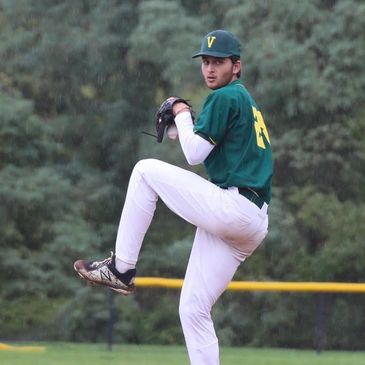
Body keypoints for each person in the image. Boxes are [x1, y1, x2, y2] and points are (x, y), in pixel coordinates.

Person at [74, 29, 273, 365]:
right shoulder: (243, 102)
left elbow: (194, 153)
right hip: (250, 221)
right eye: (206, 62)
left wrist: (180, 110)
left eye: (219, 62)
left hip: (233, 207)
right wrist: (180, 126)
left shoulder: (226, 97)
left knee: (144, 171)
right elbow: (204, 146)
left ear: (236, 66)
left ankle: (121, 269)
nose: (210, 68)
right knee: (193, 308)